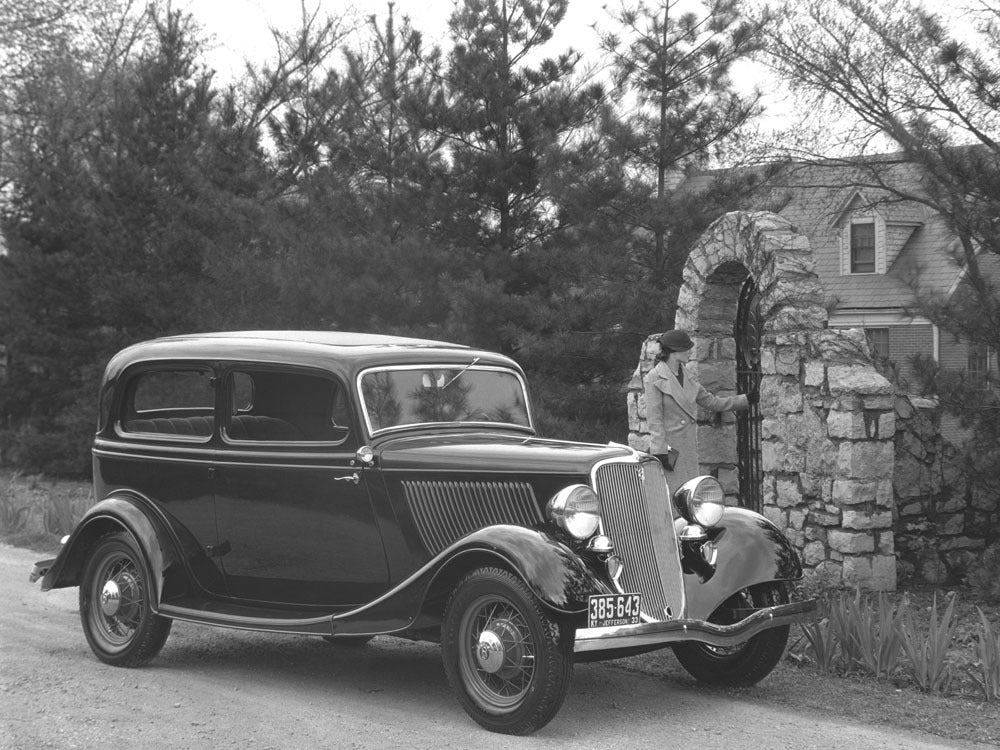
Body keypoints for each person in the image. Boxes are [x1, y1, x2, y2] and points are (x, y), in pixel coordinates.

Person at [643, 329, 758, 488]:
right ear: (675, 352)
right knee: (671, 494)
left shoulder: (688, 375)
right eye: (687, 348)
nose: (691, 351)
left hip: (688, 447)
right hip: (669, 452)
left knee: (688, 495)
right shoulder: (654, 377)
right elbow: (654, 419)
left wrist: (746, 399)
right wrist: (659, 451)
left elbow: (712, 402)